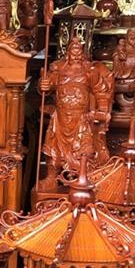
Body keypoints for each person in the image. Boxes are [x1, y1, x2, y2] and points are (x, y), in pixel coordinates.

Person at [39, 36, 113, 190]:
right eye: (73, 51)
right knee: (53, 148)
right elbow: (49, 85)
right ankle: (51, 177)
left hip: (81, 117)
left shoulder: (90, 71)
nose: (76, 54)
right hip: (60, 117)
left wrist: (102, 110)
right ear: (68, 53)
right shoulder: (59, 69)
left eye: (79, 51)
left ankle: (83, 177)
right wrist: (43, 85)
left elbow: (101, 91)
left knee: (83, 149)